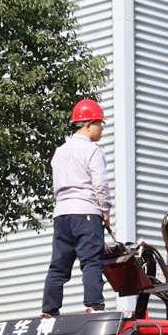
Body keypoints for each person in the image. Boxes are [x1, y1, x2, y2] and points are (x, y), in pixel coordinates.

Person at [41, 100, 112, 316]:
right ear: (88, 124)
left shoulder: (60, 151)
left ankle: (49, 310)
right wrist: (105, 212)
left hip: (61, 214)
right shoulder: (93, 151)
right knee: (91, 262)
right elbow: (100, 185)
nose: (101, 128)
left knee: (59, 265)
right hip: (86, 212)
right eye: (99, 123)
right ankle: (94, 306)